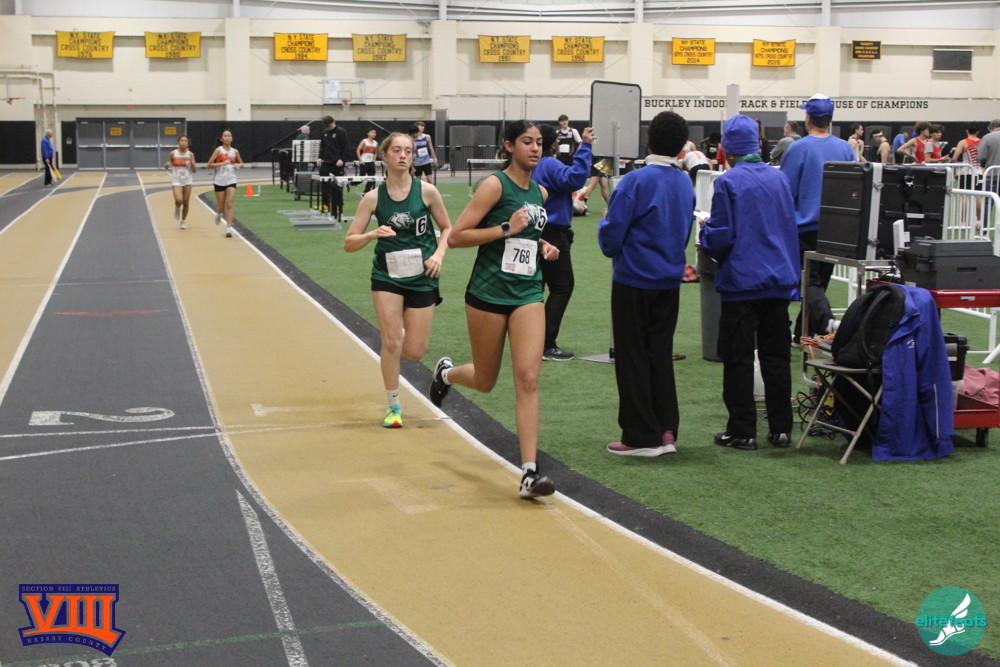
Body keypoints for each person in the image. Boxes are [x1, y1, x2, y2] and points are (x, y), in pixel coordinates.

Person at [427, 120, 560, 499]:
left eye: (539, 142)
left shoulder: (541, 192)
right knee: (486, 381)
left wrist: (542, 245)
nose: (535, 148)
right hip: (488, 292)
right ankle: (447, 374)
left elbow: (527, 234)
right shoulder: (494, 185)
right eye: (527, 141)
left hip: (528, 292)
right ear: (509, 145)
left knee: (528, 379)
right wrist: (505, 228)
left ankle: (529, 473)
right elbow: (456, 236)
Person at [698, 115, 800, 451]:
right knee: (776, 356)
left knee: (738, 357)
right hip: (778, 281)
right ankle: (781, 429)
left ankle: (742, 430)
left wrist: (705, 231)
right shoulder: (779, 178)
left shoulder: (728, 182)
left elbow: (722, 238)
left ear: (728, 150)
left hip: (742, 282)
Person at [598, 111, 695, 458]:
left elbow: (611, 238)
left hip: (634, 279)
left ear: (648, 140)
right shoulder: (684, 183)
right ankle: (666, 429)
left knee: (633, 356)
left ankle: (641, 435)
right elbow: (685, 231)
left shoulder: (634, 182)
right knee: (659, 355)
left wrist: (605, 226)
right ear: (681, 145)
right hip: (669, 280)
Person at [344, 132, 452, 428]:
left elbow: (447, 228)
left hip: (423, 276)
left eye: (408, 151)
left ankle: (430, 361)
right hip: (387, 275)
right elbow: (349, 242)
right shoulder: (373, 198)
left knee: (414, 351)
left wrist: (439, 255)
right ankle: (393, 406)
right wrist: (371, 234)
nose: (403, 155)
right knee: (391, 341)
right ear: (385, 155)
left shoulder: (427, 192)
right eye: (396, 150)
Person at [780, 93, 855, 337]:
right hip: (835, 229)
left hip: (804, 228)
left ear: (808, 118)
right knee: (818, 282)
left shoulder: (798, 148)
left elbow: (786, 190)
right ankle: (804, 332)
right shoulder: (845, 148)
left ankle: (825, 322)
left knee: (808, 282)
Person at [533, 123, 595, 361]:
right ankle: (546, 344)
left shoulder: (530, 166)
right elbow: (575, 179)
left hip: (533, 229)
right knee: (562, 286)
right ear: (554, 143)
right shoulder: (549, 163)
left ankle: (530, 340)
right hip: (552, 233)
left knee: (536, 288)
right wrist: (585, 147)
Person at [206, 129, 243, 238]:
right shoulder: (218, 150)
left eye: (229, 136)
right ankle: (219, 212)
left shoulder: (235, 151)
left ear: (232, 138)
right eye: (225, 136)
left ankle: (228, 228)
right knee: (221, 206)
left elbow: (241, 162)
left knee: (229, 204)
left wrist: (239, 165)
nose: (227, 138)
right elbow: (209, 165)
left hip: (231, 180)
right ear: (221, 139)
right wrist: (221, 163)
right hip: (219, 180)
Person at [316, 115, 350, 216]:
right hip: (326, 163)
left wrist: (342, 159)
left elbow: (346, 147)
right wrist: (319, 157)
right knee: (324, 185)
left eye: (330, 125)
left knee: (337, 186)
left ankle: (339, 206)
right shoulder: (325, 132)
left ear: (333, 122)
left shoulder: (340, 132)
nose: (329, 128)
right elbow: (322, 147)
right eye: (327, 126)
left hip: (337, 164)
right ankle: (325, 205)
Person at [164, 135, 197, 230]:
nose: (183, 142)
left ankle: (183, 221)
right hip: (176, 179)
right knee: (179, 200)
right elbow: (166, 165)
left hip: (187, 180)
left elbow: (194, 171)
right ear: (178, 142)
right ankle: (177, 207)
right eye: (182, 141)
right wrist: (167, 165)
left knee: (186, 201)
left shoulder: (190, 154)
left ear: (188, 143)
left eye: (185, 141)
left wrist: (193, 164)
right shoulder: (173, 153)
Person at [356, 128, 379, 193]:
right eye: (372, 132)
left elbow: (375, 152)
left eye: (374, 132)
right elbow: (358, 150)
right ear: (368, 133)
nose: (373, 134)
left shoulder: (376, 143)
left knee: (371, 179)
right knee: (361, 179)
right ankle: (350, 183)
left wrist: (374, 160)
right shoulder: (364, 141)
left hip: (371, 163)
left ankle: (365, 192)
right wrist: (360, 160)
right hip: (364, 162)